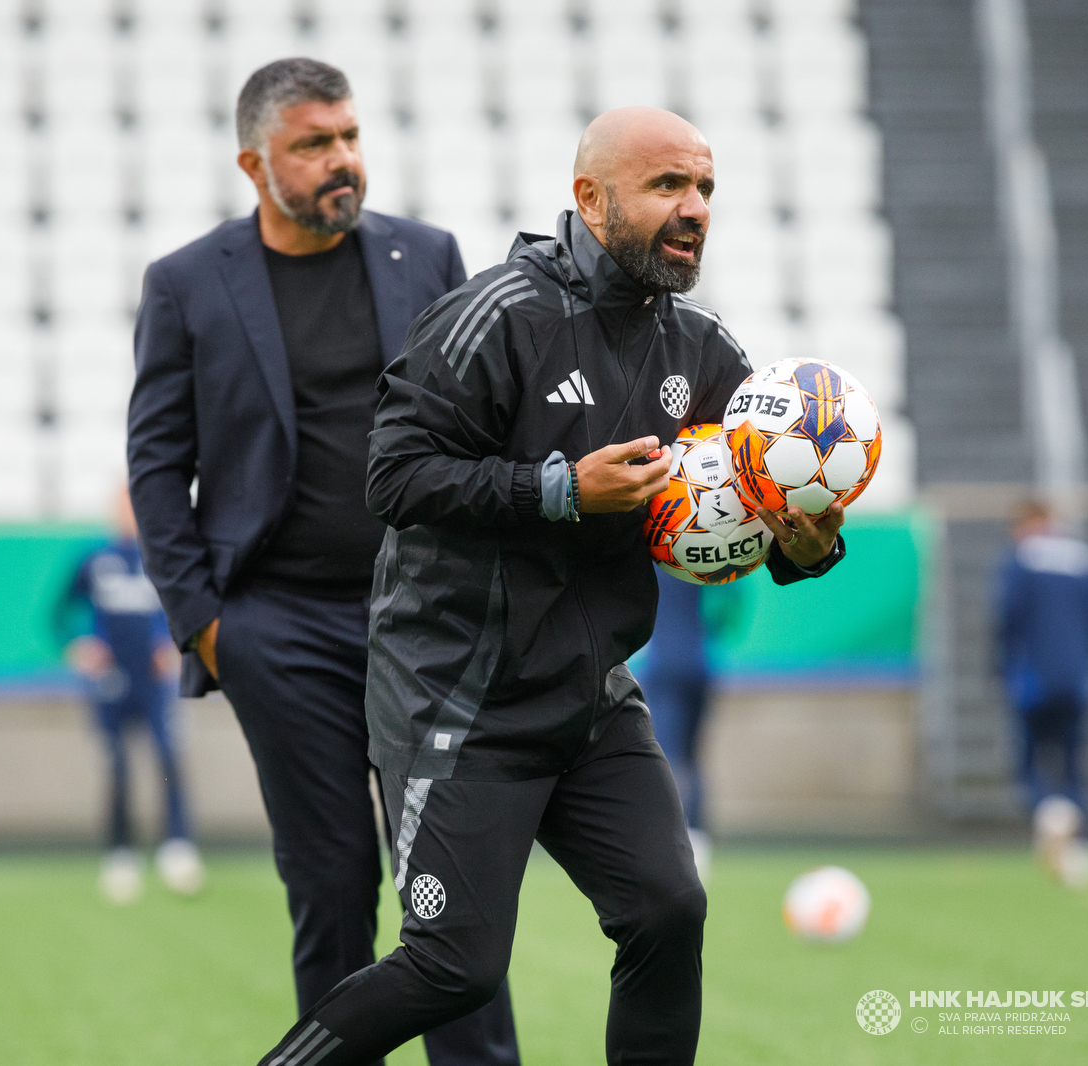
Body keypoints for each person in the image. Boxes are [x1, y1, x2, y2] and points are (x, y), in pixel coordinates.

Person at [254, 106, 850, 1066]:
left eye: (704, 189)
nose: (695, 208)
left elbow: (765, 529)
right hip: (458, 697)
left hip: (592, 699)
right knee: (455, 968)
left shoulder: (704, 349)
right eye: (667, 187)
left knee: (668, 907)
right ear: (590, 197)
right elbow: (394, 478)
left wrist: (807, 541)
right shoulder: (494, 317)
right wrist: (565, 489)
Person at [129, 58, 521, 1066]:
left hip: (428, 625)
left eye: (348, 137)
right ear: (254, 163)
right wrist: (209, 625)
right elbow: (158, 463)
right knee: (333, 884)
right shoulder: (185, 283)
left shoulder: (428, 256)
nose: (342, 159)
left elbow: (487, 423)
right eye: (314, 144)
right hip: (280, 628)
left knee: (450, 892)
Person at [56, 487, 202, 904]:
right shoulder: (95, 559)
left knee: (168, 757)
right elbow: (58, 613)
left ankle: (178, 848)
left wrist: (174, 644)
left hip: (154, 683)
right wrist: (80, 644)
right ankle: (120, 854)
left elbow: (187, 609)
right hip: (111, 682)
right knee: (118, 764)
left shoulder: (161, 559)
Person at [996, 499, 1088, 884]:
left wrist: (1002, 670)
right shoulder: (1083, 560)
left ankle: (1049, 815)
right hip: (1078, 681)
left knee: (1031, 760)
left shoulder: (1022, 561)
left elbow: (1007, 619)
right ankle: (1080, 851)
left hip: (1033, 681)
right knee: (1074, 764)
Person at [637, 570, 741, 887]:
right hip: (700, 661)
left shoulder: (653, 554)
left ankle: (668, 851)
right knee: (692, 759)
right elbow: (732, 600)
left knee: (666, 759)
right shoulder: (699, 557)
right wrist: (712, 632)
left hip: (664, 665)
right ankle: (697, 848)